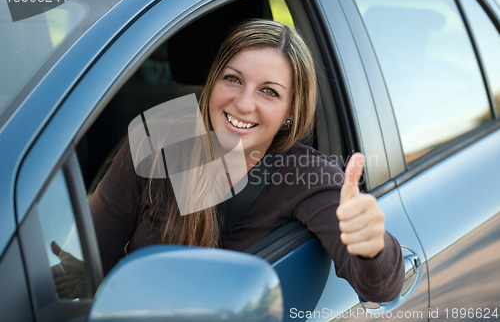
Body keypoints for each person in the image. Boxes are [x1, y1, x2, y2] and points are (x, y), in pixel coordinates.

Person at [89, 19, 404, 302]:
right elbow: (86, 266)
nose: (242, 103)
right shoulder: (155, 143)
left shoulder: (307, 175)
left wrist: (372, 246)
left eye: (269, 91)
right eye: (233, 79)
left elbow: (380, 288)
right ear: (213, 81)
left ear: (291, 112)